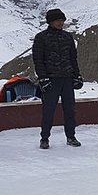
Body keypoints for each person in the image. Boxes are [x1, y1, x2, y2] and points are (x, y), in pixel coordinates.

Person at [33, 8, 83, 149]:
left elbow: (73, 58)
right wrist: (43, 78)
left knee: (70, 110)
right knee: (48, 110)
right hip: (51, 79)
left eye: (62, 20)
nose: (60, 23)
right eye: (57, 20)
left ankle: (71, 136)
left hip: (67, 78)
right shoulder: (41, 37)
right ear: (50, 22)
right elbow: (38, 59)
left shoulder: (68, 37)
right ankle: (44, 138)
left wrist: (77, 75)